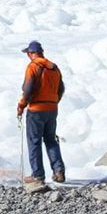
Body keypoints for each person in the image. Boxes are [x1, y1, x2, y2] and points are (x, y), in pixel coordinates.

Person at [16, 40, 66, 184]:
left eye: (28, 53)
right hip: (52, 109)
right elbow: (61, 89)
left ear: (31, 53)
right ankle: (58, 171)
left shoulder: (33, 66)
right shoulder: (54, 68)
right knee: (51, 140)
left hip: (36, 109)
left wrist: (21, 105)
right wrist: (53, 102)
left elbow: (28, 88)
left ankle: (37, 175)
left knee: (34, 142)